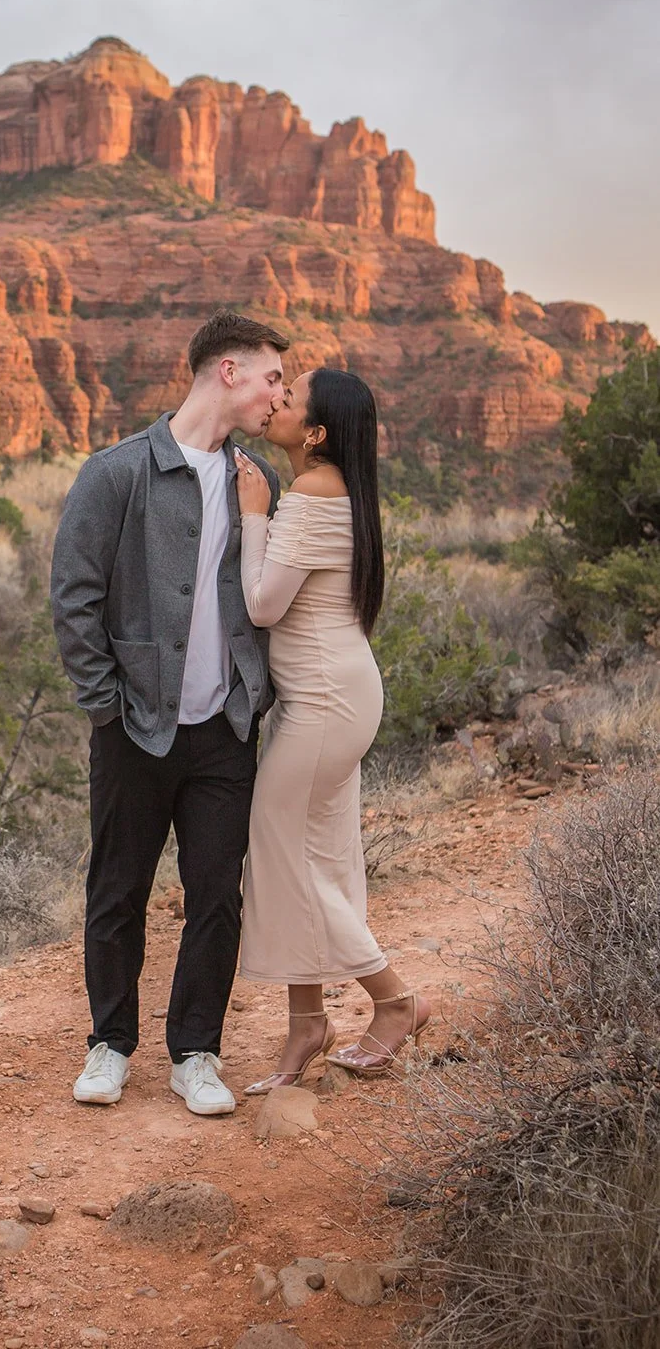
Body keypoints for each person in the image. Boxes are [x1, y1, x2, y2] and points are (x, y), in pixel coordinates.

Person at [51, 310, 289, 1115]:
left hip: (224, 728)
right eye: (270, 378)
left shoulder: (257, 479)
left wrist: (255, 695)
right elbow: (73, 598)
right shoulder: (115, 473)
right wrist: (104, 705)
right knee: (117, 890)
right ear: (228, 370)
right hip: (134, 726)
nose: (277, 395)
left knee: (216, 894)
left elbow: (264, 597)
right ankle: (109, 1045)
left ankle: (195, 1053)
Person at [233, 367, 431, 1087]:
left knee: (280, 853)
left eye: (289, 399)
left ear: (314, 433)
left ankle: (395, 1000)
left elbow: (262, 607)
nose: (275, 401)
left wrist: (254, 514)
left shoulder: (313, 494)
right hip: (330, 695)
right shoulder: (334, 488)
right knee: (313, 856)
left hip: (324, 701)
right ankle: (307, 1025)